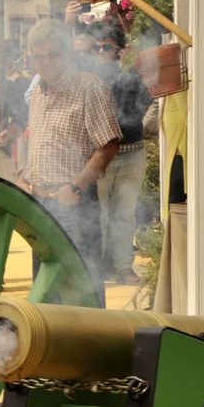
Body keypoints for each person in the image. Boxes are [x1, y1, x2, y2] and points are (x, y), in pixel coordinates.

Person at [22, 19, 120, 289]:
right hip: (39, 203)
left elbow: (108, 146)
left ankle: (94, 333)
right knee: (45, 291)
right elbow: (32, 137)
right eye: (38, 57)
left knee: (81, 288)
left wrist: (75, 188)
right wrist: (23, 175)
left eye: (53, 54)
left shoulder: (90, 87)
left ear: (67, 52)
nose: (46, 62)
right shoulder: (37, 93)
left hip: (74, 204)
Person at [91, 22, 153, 282]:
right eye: (97, 47)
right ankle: (102, 267)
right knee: (101, 216)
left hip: (131, 154)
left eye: (107, 47)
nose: (101, 52)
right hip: (101, 157)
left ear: (120, 50)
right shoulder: (88, 79)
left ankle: (122, 267)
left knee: (124, 215)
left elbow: (147, 102)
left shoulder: (133, 78)